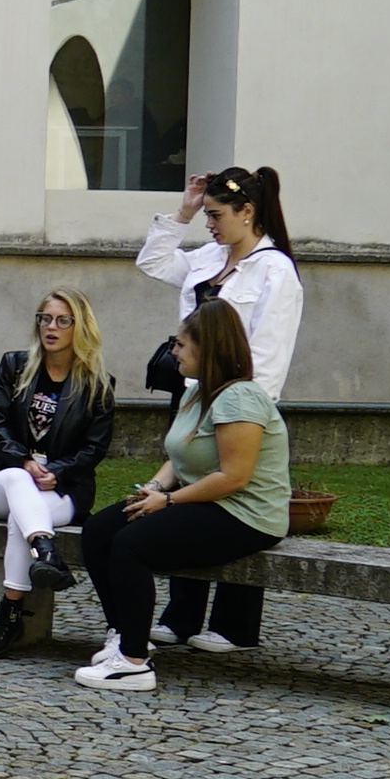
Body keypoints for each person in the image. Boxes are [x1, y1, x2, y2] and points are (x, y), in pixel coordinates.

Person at [74, 299, 288, 693]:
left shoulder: (240, 398)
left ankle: (134, 663)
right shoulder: (198, 393)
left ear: (207, 351)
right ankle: (124, 633)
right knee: (100, 530)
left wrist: (169, 502)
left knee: (131, 546)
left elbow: (234, 477)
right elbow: (178, 455)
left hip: (244, 514)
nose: (173, 351)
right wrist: (154, 489)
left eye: (181, 344)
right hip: (204, 502)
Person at [136, 166, 301, 654]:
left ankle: (235, 623)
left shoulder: (275, 270)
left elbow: (271, 354)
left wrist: (246, 411)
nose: (209, 224)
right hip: (193, 394)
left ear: (247, 212)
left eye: (215, 215)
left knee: (237, 497)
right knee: (189, 488)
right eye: (205, 215)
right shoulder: (209, 256)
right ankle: (183, 614)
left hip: (242, 405)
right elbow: (152, 262)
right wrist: (183, 210)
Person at [0, 288, 116, 659]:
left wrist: (57, 471)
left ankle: (10, 614)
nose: (51, 327)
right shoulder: (14, 366)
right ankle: (46, 551)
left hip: (62, 490)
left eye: (62, 320)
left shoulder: (97, 385)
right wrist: (24, 461)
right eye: (44, 318)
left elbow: (95, 448)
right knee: (17, 482)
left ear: (81, 326)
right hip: (5, 477)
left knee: (21, 518)